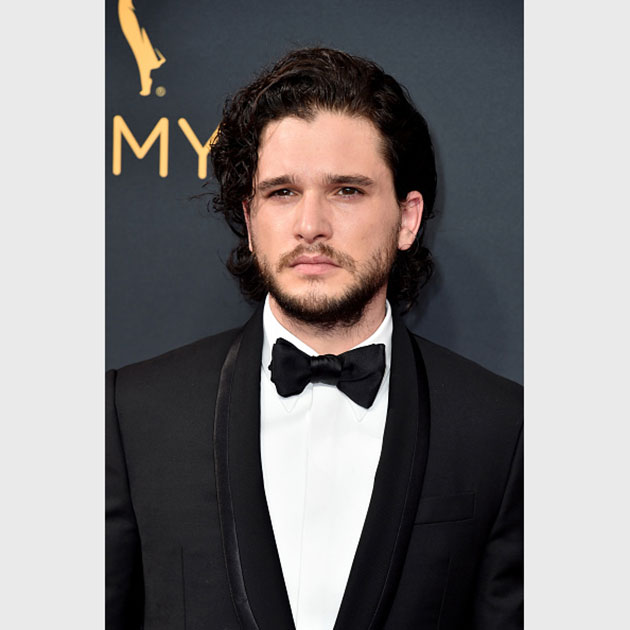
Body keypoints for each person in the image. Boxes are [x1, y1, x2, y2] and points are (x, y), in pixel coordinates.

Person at [106, 47, 523, 630]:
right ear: (250, 220)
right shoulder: (133, 414)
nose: (310, 226)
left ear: (407, 218)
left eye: (346, 190)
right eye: (282, 192)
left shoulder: (502, 429)